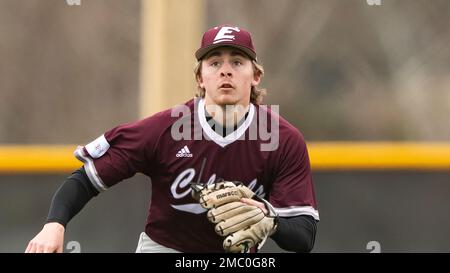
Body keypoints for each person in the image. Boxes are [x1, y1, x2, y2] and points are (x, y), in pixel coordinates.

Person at [25, 24, 319, 253]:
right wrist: (54, 225)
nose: (226, 70)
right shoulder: (165, 129)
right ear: (200, 78)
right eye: (214, 63)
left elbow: (304, 236)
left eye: (238, 61)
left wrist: (271, 220)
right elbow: (85, 180)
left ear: (255, 76)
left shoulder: (283, 139)